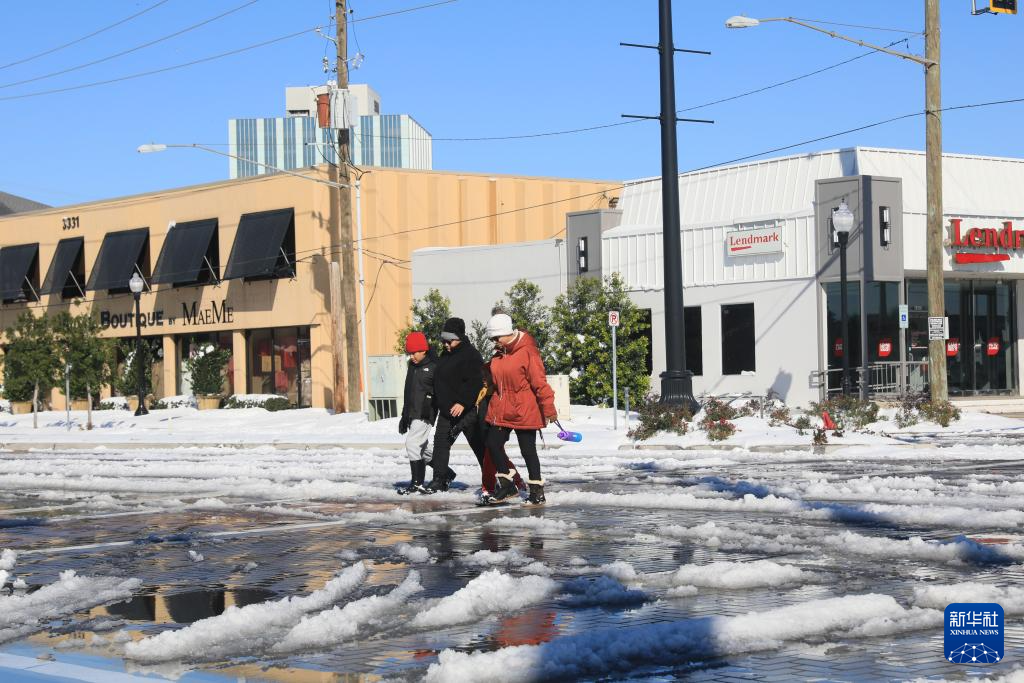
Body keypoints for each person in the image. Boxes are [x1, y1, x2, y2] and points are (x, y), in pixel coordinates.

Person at [484, 313, 557, 505]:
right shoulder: (499, 356)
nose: (494, 342)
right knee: (492, 443)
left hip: (525, 409)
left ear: (506, 334)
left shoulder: (528, 352)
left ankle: (536, 492)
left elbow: (540, 382)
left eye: (496, 338)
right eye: (492, 339)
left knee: (528, 451)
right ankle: (508, 486)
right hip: (502, 409)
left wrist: (548, 407)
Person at [425, 317, 486, 493]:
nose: (446, 344)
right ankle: (439, 479)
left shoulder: (471, 355)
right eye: (444, 341)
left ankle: (492, 480)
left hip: (466, 412)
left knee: (479, 446)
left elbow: (475, 382)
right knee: (441, 444)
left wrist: (462, 402)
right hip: (447, 411)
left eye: (449, 341)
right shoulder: (446, 355)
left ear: (459, 337)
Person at [397, 331, 437, 494]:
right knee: (421, 448)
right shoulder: (413, 366)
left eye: (414, 353)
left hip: (426, 413)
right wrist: (404, 416)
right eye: (409, 353)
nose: (412, 356)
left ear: (424, 350)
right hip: (413, 412)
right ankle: (444, 470)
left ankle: (417, 482)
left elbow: (441, 391)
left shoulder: (434, 366)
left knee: (412, 444)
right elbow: (408, 392)